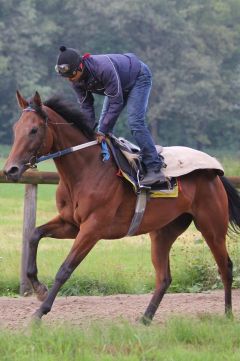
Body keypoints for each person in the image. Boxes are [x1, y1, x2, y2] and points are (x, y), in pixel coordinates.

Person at [55, 45, 166, 185]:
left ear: (80, 66)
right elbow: (86, 108)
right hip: (117, 87)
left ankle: (154, 168)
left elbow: (116, 103)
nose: (70, 80)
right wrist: (87, 133)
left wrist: (102, 131)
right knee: (103, 127)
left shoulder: (102, 68)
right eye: (66, 77)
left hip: (138, 77)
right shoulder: (76, 81)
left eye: (71, 75)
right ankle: (109, 167)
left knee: (134, 122)